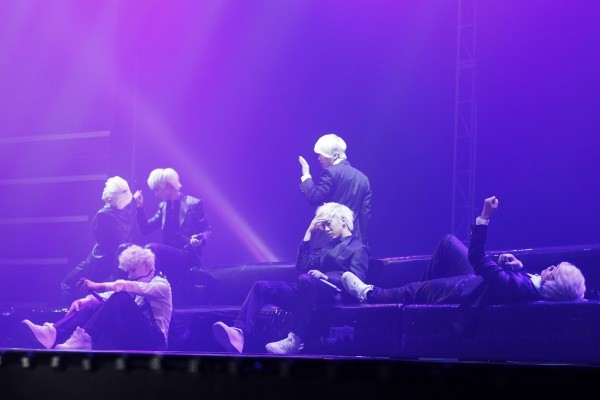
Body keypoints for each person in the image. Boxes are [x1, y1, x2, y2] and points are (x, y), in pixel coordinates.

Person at [342, 196, 586, 307]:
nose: (551, 267)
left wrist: (484, 217)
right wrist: (517, 267)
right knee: (448, 243)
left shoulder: (519, 287)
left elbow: (477, 258)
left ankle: (369, 295)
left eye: (554, 272)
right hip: (479, 281)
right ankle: (419, 297)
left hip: (467, 289)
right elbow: (511, 279)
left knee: (414, 290)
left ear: (553, 285)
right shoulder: (532, 284)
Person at [212, 202, 369, 355]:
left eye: (328, 224)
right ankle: (239, 333)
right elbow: (303, 264)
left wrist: (326, 277)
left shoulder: (358, 249)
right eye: (324, 226)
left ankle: (295, 340)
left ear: (343, 220)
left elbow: (357, 281)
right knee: (262, 286)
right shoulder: (327, 248)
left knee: (305, 279)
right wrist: (309, 233)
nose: (326, 229)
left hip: (333, 295)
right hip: (308, 293)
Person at [21, 245, 172, 351]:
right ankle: (54, 332)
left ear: (146, 266)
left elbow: (132, 287)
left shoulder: (161, 285)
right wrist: (84, 301)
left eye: (133, 270)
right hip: (132, 338)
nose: (130, 275)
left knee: (121, 296)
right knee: (95, 301)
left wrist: (98, 285)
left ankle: (86, 336)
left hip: (154, 342)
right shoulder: (134, 284)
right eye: (128, 271)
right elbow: (107, 296)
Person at [134, 167, 212, 306]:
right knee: (131, 249)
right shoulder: (163, 206)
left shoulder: (193, 204)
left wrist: (199, 239)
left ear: (167, 186)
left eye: (157, 190)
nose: (156, 194)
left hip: (186, 254)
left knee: (151, 248)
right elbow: (146, 229)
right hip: (169, 256)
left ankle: (147, 288)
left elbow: (207, 229)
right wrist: (140, 207)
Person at [61, 176, 136, 305]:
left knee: (67, 284)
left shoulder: (103, 215)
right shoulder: (126, 214)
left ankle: (70, 316)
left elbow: (99, 237)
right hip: (114, 263)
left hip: (98, 261)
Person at [298, 133, 372, 246]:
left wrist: (306, 175)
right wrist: (362, 245)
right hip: (353, 242)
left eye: (322, 155)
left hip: (328, 241)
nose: (319, 158)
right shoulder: (363, 179)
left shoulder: (331, 172)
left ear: (335, 155)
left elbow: (315, 198)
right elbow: (364, 216)